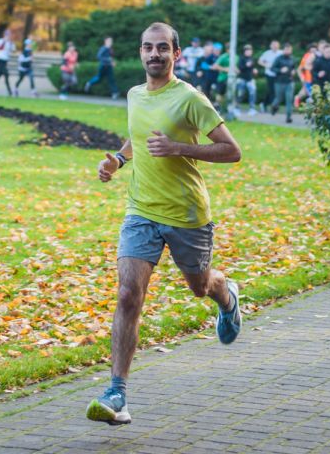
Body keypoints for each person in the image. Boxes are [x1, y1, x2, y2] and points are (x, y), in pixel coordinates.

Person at [87, 21, 242, 426]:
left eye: (161, 48)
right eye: (147, 47)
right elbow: (138, 137)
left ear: (176, 54)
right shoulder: (134, 94)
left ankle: (226, 295)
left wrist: (178, 148)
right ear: (140, 52)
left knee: (199, 287)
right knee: (127, 294)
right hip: (141, 210)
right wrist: (118, 161)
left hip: (187, 214)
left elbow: (232, 150)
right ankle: (117, 393)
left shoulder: (190, 98)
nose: (153, 54)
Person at [270, 43, 297, 123]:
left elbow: (294, 68)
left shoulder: (293, 59)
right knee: (278, 99)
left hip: (289, 82)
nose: (288, 51)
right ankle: (274, 107)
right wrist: (280, 70)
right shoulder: (278, 58)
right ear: (283, 50)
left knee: (289, 100)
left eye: (289, 50)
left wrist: (293, 71)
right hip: (279, 82)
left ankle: (288, 117)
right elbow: (272, 68)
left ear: (291, 50)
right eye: (286, 49)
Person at [258, 40, 281, 112]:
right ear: (271, 46)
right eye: (273, 45)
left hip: (278, 75)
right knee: (272, 90)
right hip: (269, 74)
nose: (275, 46)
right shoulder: (267, 53)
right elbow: (259, 61)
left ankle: (264, 104)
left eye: (276, 45)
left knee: (276, 90)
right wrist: (266, 65)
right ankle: (273, 106)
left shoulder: (281, 53)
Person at [236, 44, 258, 115]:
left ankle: (252, 108)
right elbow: (240, 68)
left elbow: (252, 67)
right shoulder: (241, 58)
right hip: (242, 79)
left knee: (252, 93)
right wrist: (246, 65)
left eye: (250, 50)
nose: (249, 52)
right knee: (240, 94)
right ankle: (237, 108)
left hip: (250, 79)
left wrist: (254, 70)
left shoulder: (252, 59)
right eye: (247, 50)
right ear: (244, 51)